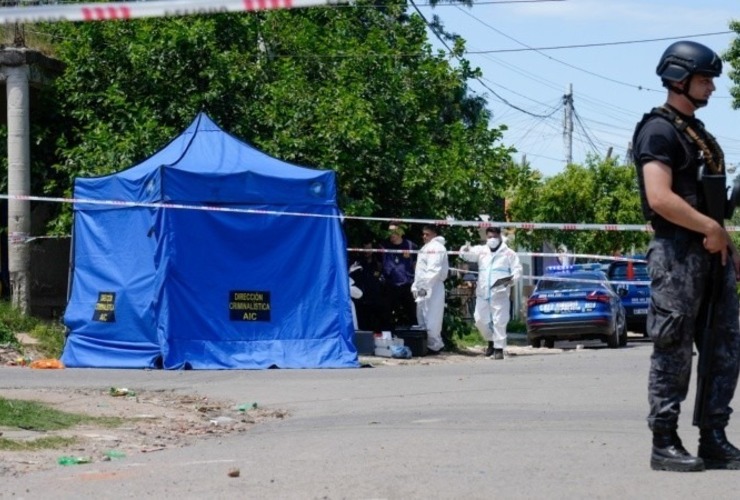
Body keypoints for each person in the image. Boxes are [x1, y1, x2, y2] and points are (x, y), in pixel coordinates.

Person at [633, 40, 740, 472]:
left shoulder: (700, 134)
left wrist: (728, 245)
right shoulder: (658, 130)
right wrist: (711, 229)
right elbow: (660, 197)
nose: (712, 87)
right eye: (704, 79)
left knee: (725, 347)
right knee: (673, 349)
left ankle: (713, 436)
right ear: (680, 79)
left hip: (712, 255)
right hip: (677, 253)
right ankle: (665, 440)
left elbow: (711, 202)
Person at [459, 226, 522, 360]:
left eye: (494, 236)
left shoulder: (509, 253)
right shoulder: (482, 251)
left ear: (499, 236)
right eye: (489, 237)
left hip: (500, 292)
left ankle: (498, 349)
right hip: (483, 291)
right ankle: (491, 340)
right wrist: (464, 249)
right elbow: (467, 255)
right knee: (479, 319)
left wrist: (507, 282)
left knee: (500, 320)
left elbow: (517, 271)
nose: (492, 239)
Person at [411, 224, 449, 354]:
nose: (424, 236)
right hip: (424, 286)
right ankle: (426, 345)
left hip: (433, 286)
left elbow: (434, 270)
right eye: (423, 234)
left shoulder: (436, 248)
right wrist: (417, 286)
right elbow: (421, 271)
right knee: (422, 316)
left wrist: (424, 288)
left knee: (432, 318)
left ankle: (435, 346)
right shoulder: (426, 248)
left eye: (427, 234)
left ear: (434, 234)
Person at [380, 222, 418, 328]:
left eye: (394, 231)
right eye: (390, 231)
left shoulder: (411, 246)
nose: (392, 234)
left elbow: (416, 266)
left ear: (401, 232)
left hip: (407, 285)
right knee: (386, 314)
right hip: (390, 284)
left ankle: (415, 339)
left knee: (412, 314)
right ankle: (386, 338)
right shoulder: (383, 246)